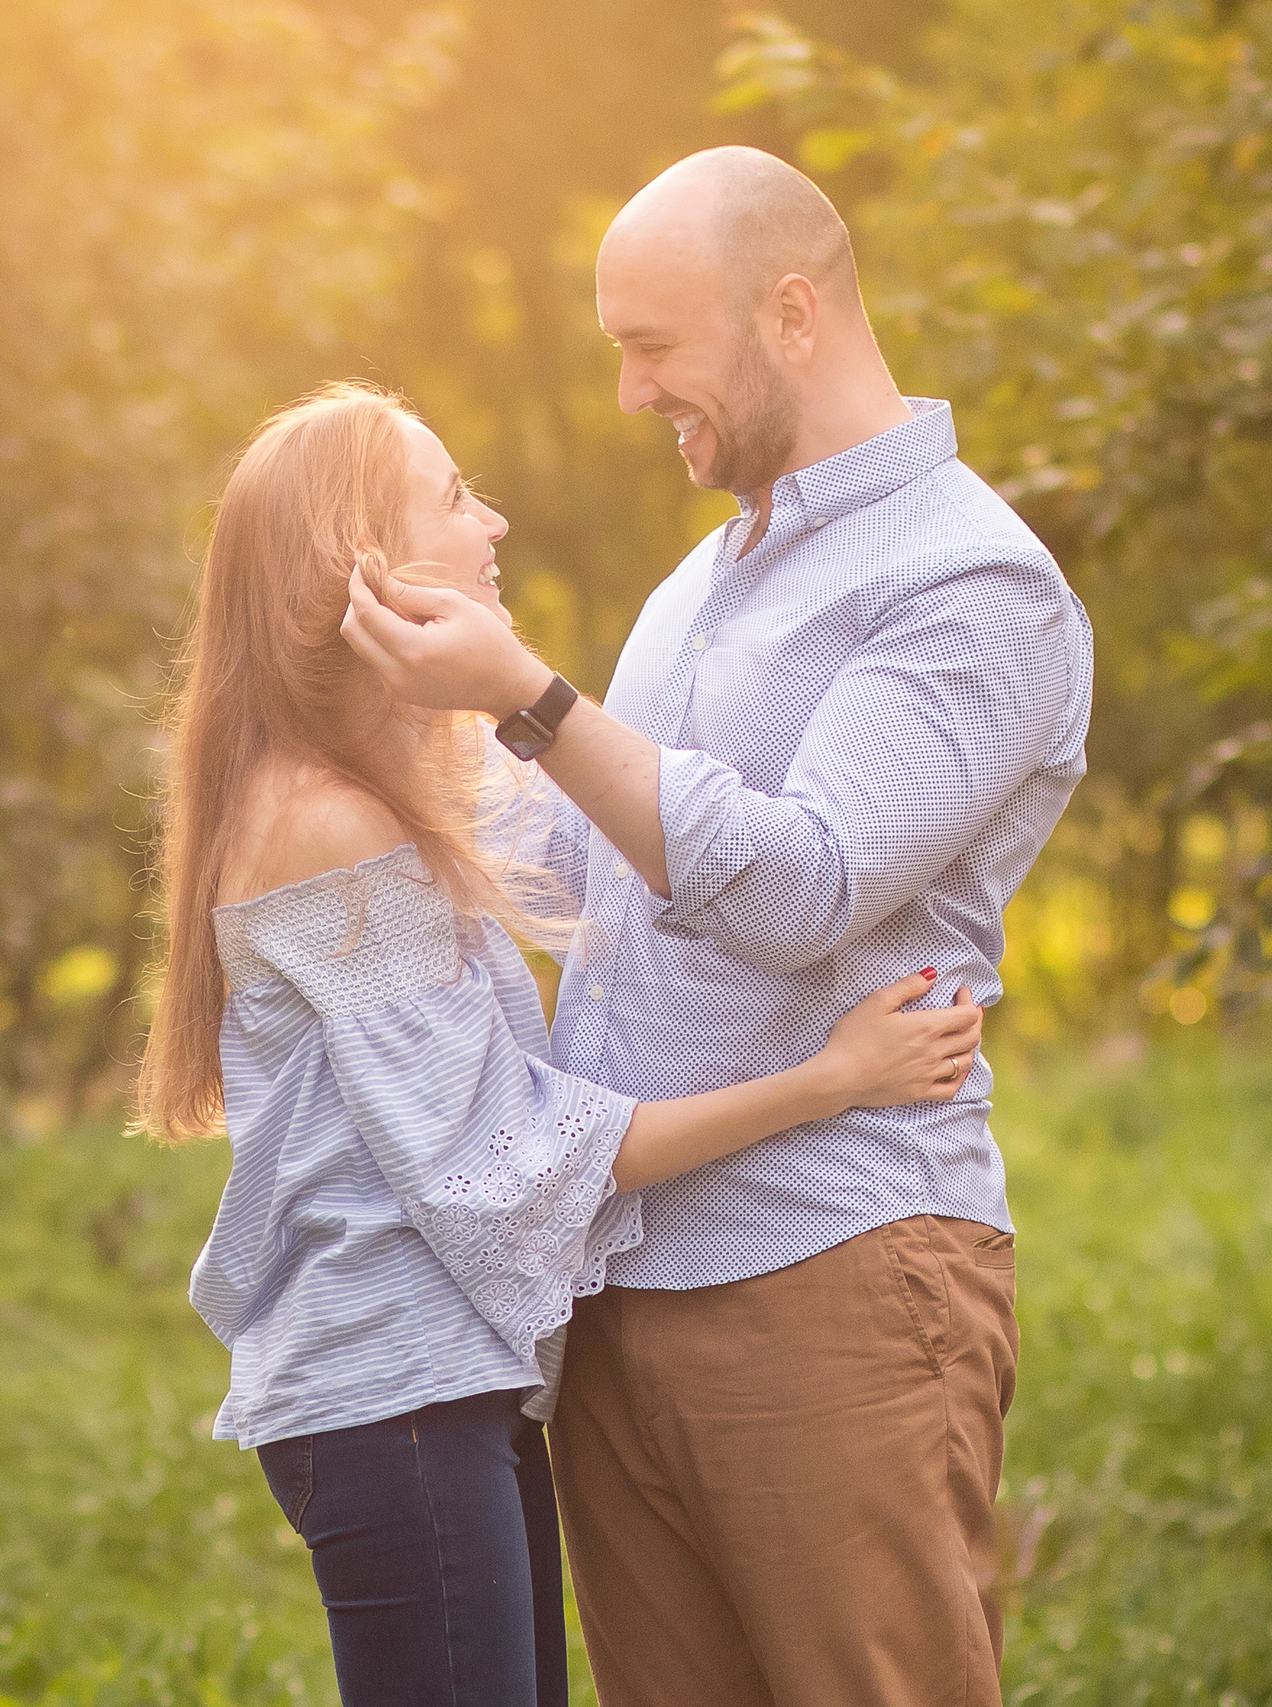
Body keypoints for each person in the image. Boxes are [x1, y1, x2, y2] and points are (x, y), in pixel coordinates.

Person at [339, 147, 1094, 1707]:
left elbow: (801, 891)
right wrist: (362, 679)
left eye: (653, 345)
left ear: (794, 315)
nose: (630, 393)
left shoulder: (971, 583)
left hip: (828, 1270)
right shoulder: (704, 576)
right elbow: (586, 860)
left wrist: (534, 698)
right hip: (624, 1288)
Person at [135, 378, 988, 1707]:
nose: (493, 520)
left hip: (442, 1393)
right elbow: (510, 1166)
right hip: (397, 1403)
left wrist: (495, 697)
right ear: (358, 566)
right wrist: (832, 1081)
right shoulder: (326, 828)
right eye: (453, 495)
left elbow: (644, 850)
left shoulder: (376, 792)